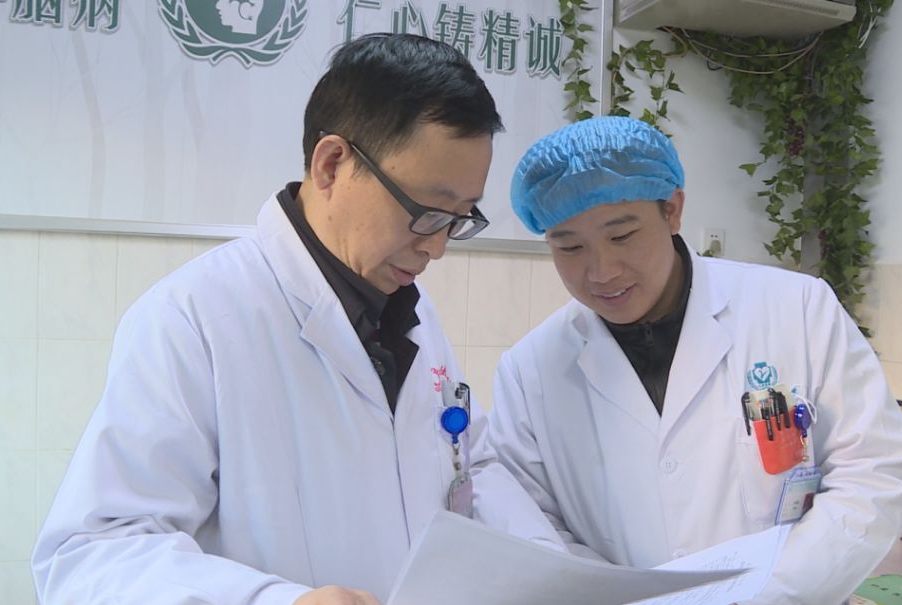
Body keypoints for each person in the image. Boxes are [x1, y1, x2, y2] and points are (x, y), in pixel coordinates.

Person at [32, 33, 564, 605]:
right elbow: (95, 553)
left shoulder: (411, 312)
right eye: (426, 213)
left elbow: (469, 463)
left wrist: (550, 569)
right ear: (332, 164)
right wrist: (275, 601)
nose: (437, 248)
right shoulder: (195, 318)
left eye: (459, 218)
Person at [488, 116, 902, 604]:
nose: (601, 271)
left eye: (622, 236)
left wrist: (768, 596)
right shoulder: (529, 371)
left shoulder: (797, 309)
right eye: (569, 247)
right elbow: (529, 523)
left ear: (672, 210)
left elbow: (874, 473)